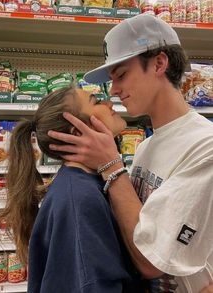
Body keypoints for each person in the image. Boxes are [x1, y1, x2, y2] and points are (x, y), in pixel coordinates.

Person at [47, 14, 213, 293]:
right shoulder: (146, 146)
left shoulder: (204, 146)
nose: (113, 90)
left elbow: (151, 261)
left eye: (121, 75)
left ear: (159, 63)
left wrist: (111, 166)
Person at [0, 86, 147, 293]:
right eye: (96, 101)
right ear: (77, 132)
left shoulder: (88, 183)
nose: (110, 103)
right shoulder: (80, 199)